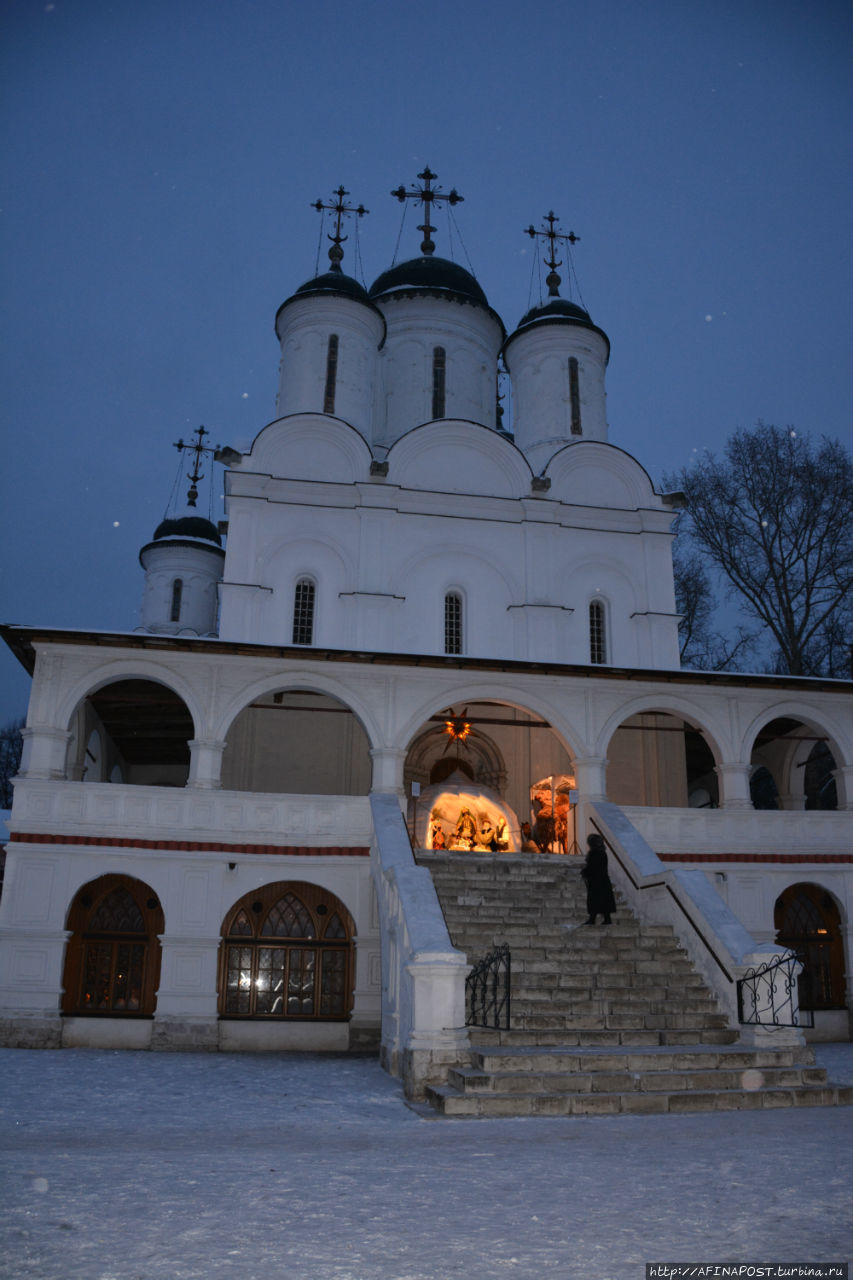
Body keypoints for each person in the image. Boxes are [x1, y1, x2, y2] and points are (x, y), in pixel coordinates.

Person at [581, 833, 616, 925]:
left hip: (596, 881)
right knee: (604, 900)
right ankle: (606, 919)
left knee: (595, 900)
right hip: (603, 880)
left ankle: (593, 919)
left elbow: (593, 867)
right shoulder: (602, 853)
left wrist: (585, 872)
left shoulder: (594, 853)